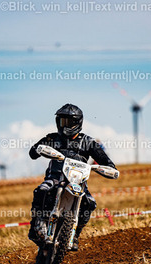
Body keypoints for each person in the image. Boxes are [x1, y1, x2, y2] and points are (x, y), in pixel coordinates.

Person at [28, 103, 117, 250]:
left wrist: (110, 168)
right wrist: (38, 148)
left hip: (78, 182)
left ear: (77, 123)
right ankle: (36, 224)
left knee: (90, 203)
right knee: (41, 191)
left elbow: (106, 162)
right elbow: (32, 153)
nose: (63, 125)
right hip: (54, 178)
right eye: (61, 121)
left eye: (67, 122)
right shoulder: (52, 138)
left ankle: (75, 234)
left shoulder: (88, 142)